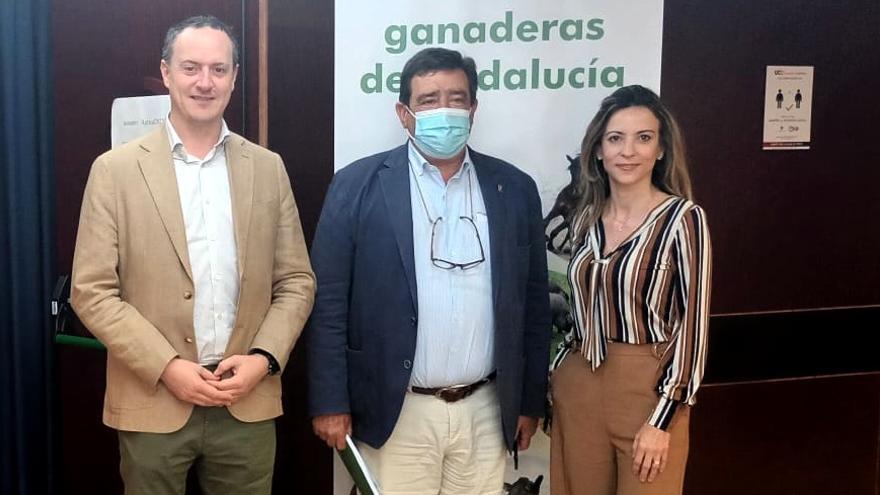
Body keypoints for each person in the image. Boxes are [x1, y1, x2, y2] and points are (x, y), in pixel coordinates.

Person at [71, 15, 315, 494]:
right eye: (191, 68)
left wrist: (264, 358)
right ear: (166, 73)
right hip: (152, 399)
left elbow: (296, 281)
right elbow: (92, 291)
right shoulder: (115, 171)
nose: (205, 82)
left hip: (245, 401)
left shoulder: (268, 169)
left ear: (234, 77)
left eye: (218, 69)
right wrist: (167, 366)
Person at [307, 47, 551, 494]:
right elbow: (327, 305)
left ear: (474, 109)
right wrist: (329, 402)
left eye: (457, 99)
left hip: (486, 407)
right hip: (397, 411)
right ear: (404, 113)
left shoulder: (514, 189)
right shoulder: (356, 185)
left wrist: (528, 401)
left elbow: (533, 305)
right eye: (429, 99)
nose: (445, 110)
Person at [549, 85, 711, 495]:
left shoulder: (683, 219)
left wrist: (662, 419)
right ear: (599, 150)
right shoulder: (585, 218)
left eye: (643, 138)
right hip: (579, 386)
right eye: (615, 139)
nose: (628, 151)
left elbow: (692, 329)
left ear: (660, 149)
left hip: (647, 390)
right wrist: (557, 377)